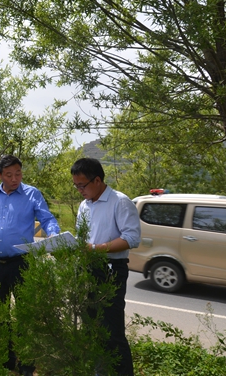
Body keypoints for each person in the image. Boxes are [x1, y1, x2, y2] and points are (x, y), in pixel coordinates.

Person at [0, 154, 60, 375]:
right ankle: (5, 360)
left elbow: (47, 219)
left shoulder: (32, 194)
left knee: (26, 313)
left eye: (18, 174)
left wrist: (53, 234)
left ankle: (27, 364)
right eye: (9, 175)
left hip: (22, 262)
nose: (14, 179)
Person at [71, 158, 140, 376]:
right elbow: (83, 237)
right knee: (92, 328)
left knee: (112, 331)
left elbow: (131, 238)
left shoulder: (120, 202)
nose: (79, 190)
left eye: (82, 185)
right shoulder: (84, 205)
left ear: (98, 180)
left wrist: (96, 249)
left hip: (111, 270)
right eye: (76, 186)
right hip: (87, 269)